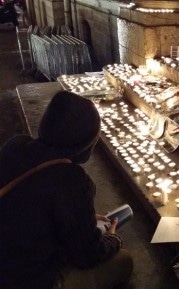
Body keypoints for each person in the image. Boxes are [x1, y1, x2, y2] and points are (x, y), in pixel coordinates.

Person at [0, 91, 133, 289]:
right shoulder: (70, 179)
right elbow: (87, 256)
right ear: (86, 142)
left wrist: (81, 216)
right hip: (22, 279)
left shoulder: (16, 146)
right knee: (123, 261)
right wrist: (113, 238)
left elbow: (27, 204)